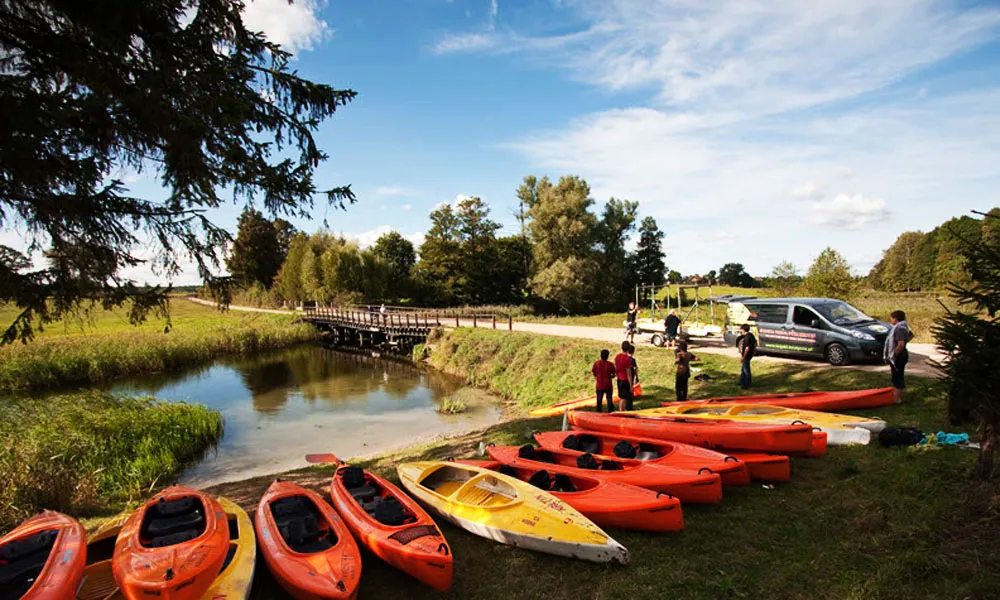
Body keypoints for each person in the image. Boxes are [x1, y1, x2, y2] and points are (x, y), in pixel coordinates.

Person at [884, 310, 913, 404]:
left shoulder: (899, 328)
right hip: (903, 354)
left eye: (891, 318)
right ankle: (896, 396)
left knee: (897, 376)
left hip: (899, 356)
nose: (891, 320)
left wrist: (893, 354)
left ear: (895, 319)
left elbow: (901, 344)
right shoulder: (905, 326)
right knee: (897, 375)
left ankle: (897, 399)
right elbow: (911, 335)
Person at [614, 341, 635, 411]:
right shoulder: (627, 359)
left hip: (619, 379)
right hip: (625, 380)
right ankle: (621, 411)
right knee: (624, 397)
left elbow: (616, 368)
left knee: (621, 397)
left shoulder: (617, 356)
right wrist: (631, 385)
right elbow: (629, 374)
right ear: (629, 348)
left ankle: (622, 410)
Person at [738, 324, 756, 389]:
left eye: (741, 330)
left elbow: (747, 348)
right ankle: (742, 381)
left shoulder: (746, 337)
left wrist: (743, 356)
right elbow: (754, 344)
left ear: (743, 329)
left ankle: (746, 384)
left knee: (746, 369)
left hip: (746, 355)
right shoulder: (751, 335)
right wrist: (754, 352)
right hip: (750, 354)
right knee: (743, 368)